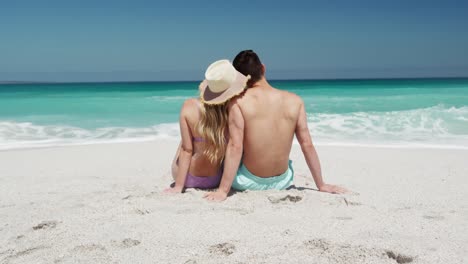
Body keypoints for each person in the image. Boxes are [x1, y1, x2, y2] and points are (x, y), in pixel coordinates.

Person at [204, 50, 346, 201]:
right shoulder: (295, 101)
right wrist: (321, 185)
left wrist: (223, 191)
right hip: (283, 181)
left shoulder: (238, 103)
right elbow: (307, 144)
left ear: (238, 78)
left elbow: (235, 146)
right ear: (263, 68)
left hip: (247, 182)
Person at [164, 59, 250, 193]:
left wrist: (179, 186)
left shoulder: (189, 106)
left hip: (188, 178)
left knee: (185, 142)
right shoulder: (233, 111)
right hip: (214, 179)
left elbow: (187, 151)